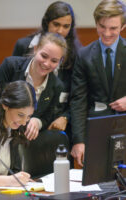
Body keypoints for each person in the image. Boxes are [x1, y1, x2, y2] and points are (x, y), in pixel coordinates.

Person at [12, 1, 81, 137]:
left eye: (66, 26)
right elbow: (12, 83)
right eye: (56, 24)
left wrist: (65, 117)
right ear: (47, 23)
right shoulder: (24, 45)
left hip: (51, 122)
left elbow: (77, 95)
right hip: (18, 119)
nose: (60, 31)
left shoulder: (76, 55)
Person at [70, 0, 126, 167]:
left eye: (113, 28)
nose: (107, 33)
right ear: (96, 24)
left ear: (123, 26)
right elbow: (78, 100)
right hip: (97, 127)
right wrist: (79, 140)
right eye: (102, 26)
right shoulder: (84, 55)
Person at [0, 33, 67, 141]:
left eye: (54, 61)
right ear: (36, 49)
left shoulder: (57, 86)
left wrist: (38, 122)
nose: (47, 64)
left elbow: (48, 116)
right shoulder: (10, 66)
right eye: (44, 56)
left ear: (60, 61)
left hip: (27, 142)